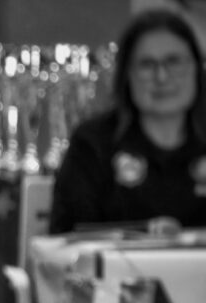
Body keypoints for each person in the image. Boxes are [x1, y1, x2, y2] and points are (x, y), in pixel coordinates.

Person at [50, 8, 206, 234]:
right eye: (147, 65)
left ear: (197, 69)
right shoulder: (93, 144)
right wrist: (144, 232)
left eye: (174, 62)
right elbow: (66, 235)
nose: (161, 77)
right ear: (126, 74)